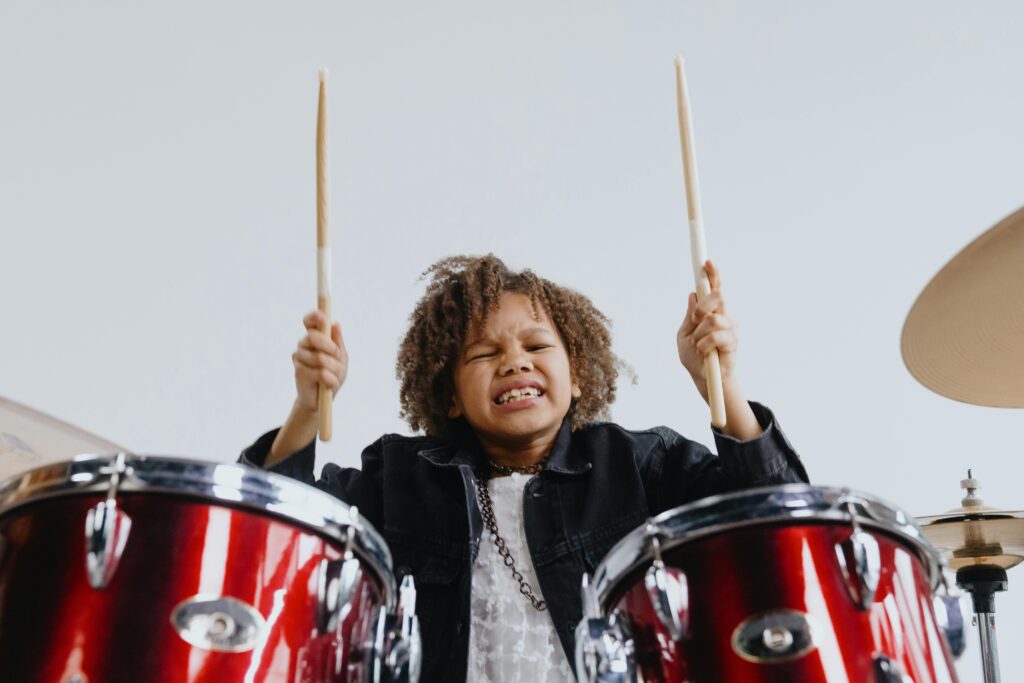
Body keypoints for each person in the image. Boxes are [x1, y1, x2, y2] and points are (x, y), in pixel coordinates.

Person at [240, 254, 807, 682]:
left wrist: (722, 382)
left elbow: (781, 533)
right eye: (484, 354)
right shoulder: (399, 478)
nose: (514, 360)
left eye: (537, 345)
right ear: (451, 396)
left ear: (577, 374)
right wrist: (308, 411)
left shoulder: (638, 465)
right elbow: (265, 540)